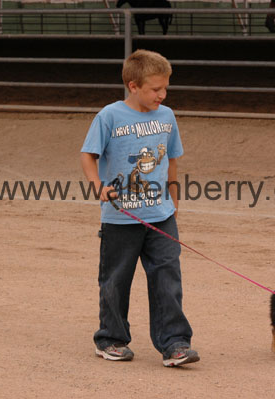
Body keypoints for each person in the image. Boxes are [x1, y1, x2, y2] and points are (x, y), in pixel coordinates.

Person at [80, 49, 199, 367]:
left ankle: (174, 343)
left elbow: (172, 160)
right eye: (155, 89)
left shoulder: (167, 116)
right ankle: (111, 338)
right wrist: (98, 186)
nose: (162, 94)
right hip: (120, 218)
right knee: (116, 280)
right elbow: (87, 156)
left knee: (168, 278)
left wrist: (175, 199)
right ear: (133, 86)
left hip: (161, 216)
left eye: (165, 88)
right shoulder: (110, 116)